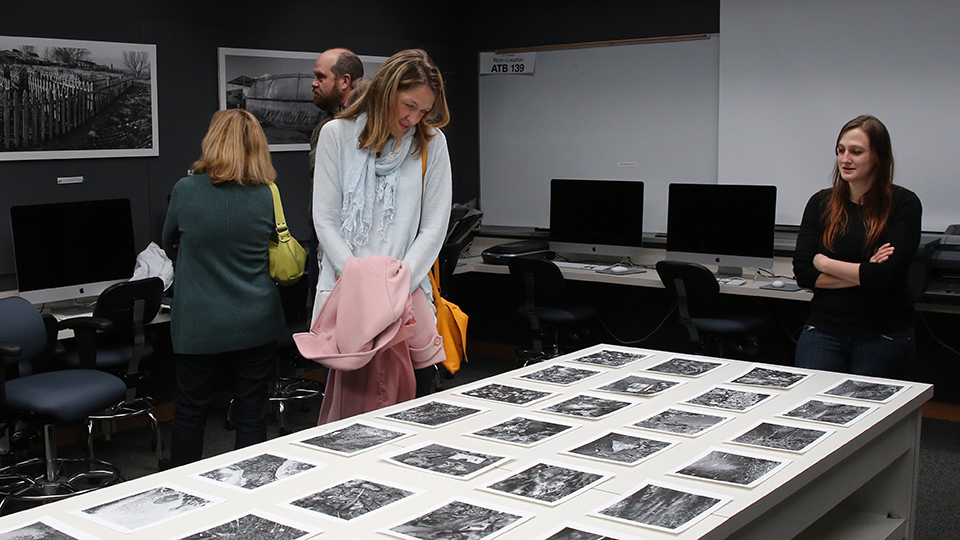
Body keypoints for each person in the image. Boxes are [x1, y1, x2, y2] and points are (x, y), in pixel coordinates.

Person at [309, 48, 452, 412]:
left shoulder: (432, 143)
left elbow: (434, 226)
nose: (413, 117)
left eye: (423, 111)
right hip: (347, 298)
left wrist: (395, 284)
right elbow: (325, 220)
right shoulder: (336, 135)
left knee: (414, 418)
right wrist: (364, 282)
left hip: (407, 299)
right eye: (409, 105)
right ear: (387, 90)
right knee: (349, 423)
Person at [162, 109, 285, 466]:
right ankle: (248, 491)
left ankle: (182, 495)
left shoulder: (185, 190)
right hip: (256, 320)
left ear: (212, 141)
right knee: (252, 411)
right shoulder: (267, 194)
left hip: (200, 324)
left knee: (189, 413)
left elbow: (168, 239)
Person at [793, 115, 922, 378]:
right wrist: (866, 271)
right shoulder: (821, 203)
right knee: (810, 411)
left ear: (878, 157)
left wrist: (825, 263)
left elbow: (888, 276)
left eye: (856, 152)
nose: (845, 159)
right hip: (823, 331)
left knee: (873, 415)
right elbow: (804, 273)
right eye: (841, 150)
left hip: (883, 335)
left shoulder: (903, 204)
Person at [307, 48, 365, 298]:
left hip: (356, 244)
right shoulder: (325, 128)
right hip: (324, 237)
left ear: (345, 81)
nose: (313, 83)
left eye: (321, 77)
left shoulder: (369, 128)